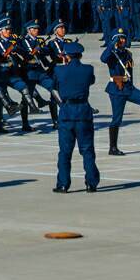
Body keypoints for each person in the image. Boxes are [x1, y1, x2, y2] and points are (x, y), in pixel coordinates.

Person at [100, 29, 140, 155]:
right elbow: (103, 59)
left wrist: (131, 85)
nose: (122, 40)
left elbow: (130, 72)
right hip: (117, 89)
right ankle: (112, 148)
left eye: (123, 38)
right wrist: (110, 45)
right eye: (119, 38)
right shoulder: (112, 53)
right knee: (117, 119)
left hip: (129, 87)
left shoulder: (127, 53)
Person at [52, 41, 99, 193]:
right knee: (87, 150)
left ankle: (63, 184)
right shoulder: (88, 69)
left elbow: (55, 86)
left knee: (65, 152)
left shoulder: (59, 70)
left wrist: (65, 65)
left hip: (67, 112)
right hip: (83, 111)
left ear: (66, 55)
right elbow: (90, 81)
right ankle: (91, 183)